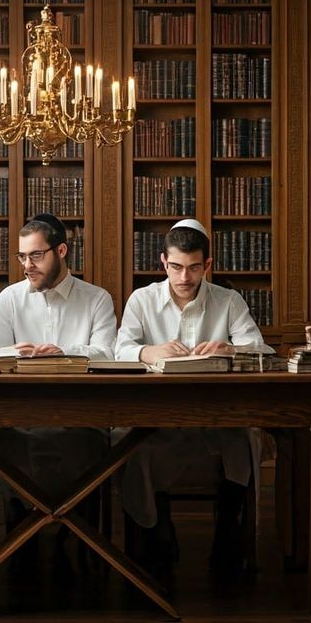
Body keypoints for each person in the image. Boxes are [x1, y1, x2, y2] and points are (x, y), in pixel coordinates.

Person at [114, 220, 272, 580]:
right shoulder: (142, 299)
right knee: (131, 443)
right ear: (163, 262)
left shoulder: (228, 300)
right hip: (157, 417)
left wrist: (231, 348)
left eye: (194, 267)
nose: (184, 277)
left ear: (207, 265)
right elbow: (119, 349)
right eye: (176, 267)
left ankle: (229, 529)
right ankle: (157, 529)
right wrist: (149, 351)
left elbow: (261, 349)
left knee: (245, 437)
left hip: (217, 416)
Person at [0, 212, 118, 564]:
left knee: (89, 446)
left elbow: (108, 354)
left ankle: (78, 531)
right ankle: (19, 528)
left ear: (61, 251)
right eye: (22, 256)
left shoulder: (97, 299)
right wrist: (13, 354)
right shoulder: (9, 299)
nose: (27, 266)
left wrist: (65, 352)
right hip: (19, 416)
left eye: (36, 255)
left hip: (80, 417)